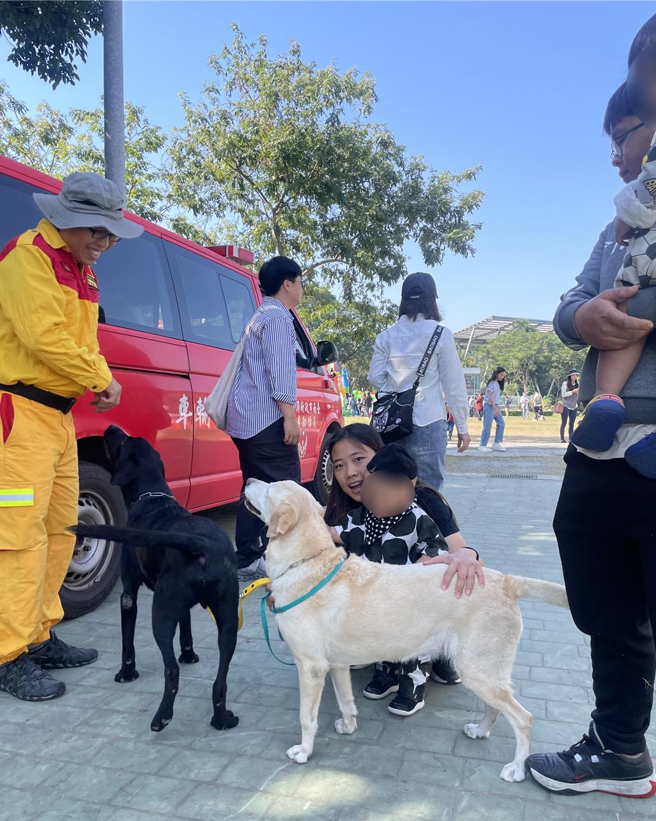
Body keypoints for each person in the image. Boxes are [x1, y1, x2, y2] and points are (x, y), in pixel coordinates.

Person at [525, 48, 656, 798]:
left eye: (625, 129)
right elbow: (565, 304)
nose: (613, 151)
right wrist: (583, 314)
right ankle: (619, 747)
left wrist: (627, 311)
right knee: (607, 613)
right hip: (599, 453)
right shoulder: (615, 227)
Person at [0, 172, 142, 702]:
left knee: (60, 528)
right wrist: (102, 378)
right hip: (19, 417)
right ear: (69, 220)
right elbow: (44, 338)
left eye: (110, 235)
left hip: (58, 420)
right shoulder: (28, 258)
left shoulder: (79, 270)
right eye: (98, 233)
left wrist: (95, 379)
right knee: (17, 534)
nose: (105, 244)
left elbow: (82, 341)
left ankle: (37, 633)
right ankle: (8, 654)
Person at [325, 424, 485, 698]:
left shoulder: (422, 500)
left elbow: (458, 550)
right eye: (339, 465)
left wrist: (467, 556)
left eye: (359, 459)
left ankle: (438, 655)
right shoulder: (347, 513)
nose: (350, 472)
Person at [226, 256, 303, 582]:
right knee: (288, 491)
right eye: (300, 282)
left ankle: (246, 557)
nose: (301, 289)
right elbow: (280, 372)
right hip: (266, 420)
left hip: (246, 421)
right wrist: (290, 417)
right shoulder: (277, 318)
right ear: (288, 283)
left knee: (256, 489)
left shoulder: (258, 316)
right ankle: (288, 562)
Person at [368, 272, 470, 491]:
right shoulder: (440, 335)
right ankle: (428, 526)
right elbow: (454, 386)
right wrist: (462, 427)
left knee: (391, 488)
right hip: (428, 420)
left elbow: (375, 377)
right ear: (433, 300)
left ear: (403, 301)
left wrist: (395, 390)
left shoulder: (385, 336)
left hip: (391, 424)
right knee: (429, 490)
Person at [478, 367, 507, 452]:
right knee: (487, 426)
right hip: (489, 406)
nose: (502, 377)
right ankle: (482, 445)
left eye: (503, 376)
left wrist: (496, 407)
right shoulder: (492, 383)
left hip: (495, 406)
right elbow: (490, 397)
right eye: (501, 375)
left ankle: (496, 443)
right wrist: (494, 408)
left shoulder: (497, 384)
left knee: (501, 424)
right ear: (496, 374)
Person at [559, 370, 580, 443]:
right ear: (570, 376)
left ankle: (571, 438)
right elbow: (563, 394)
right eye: (573, 375)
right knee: (564, 422)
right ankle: (562, 438)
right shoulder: (565, 383)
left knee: (572, 423)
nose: (575, 376)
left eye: (576, 375)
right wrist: (573, 392)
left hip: (574, 405)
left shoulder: (577, 384)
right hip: (566, 405)